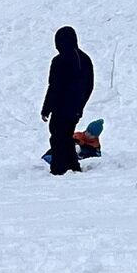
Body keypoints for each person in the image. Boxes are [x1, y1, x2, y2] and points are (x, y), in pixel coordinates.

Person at [41, 26, 95, 175]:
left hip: (61, 108)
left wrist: (46, 109)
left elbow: (54, 87)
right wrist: (80, 105)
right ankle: (73, 166)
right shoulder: (85, 59)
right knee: (66, 136)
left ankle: (59, 169)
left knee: (58, 138)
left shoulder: (59, 61)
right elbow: (89, 85)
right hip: (75, 109)